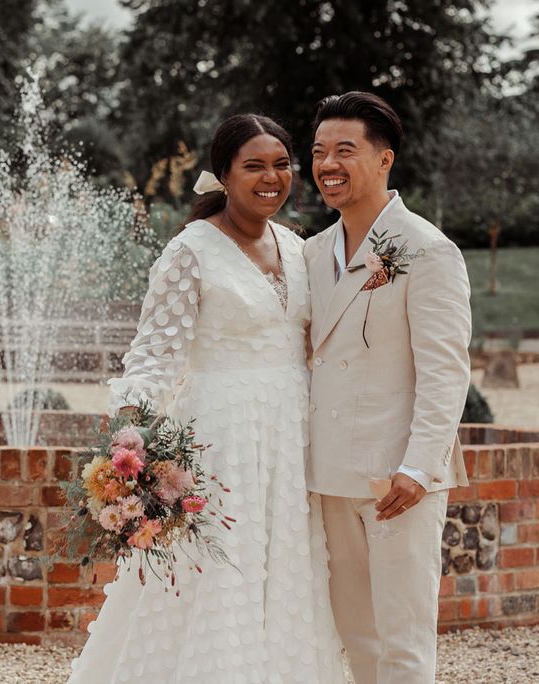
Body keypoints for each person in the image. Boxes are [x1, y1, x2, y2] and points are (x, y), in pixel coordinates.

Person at [68, 114, 345, 683]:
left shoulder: (296, 247)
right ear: (223, 174)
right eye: (254, 166)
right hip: (220, 440)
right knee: (220, 576)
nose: (271, 178)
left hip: (292, 439)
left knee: (287, 575)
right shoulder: (190, 250)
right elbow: (153, 355)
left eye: (281, 165)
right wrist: (130, 452)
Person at [304, 91, 471, 684]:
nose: (328, 164)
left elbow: (446, 370)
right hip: (326, 475)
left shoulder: (427, 250)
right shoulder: (311, 252)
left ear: (384, 160)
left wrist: (420, 469)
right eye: (320, 151)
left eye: (345, 150)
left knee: (402, 638)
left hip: (396, 479)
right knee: (356, 635)